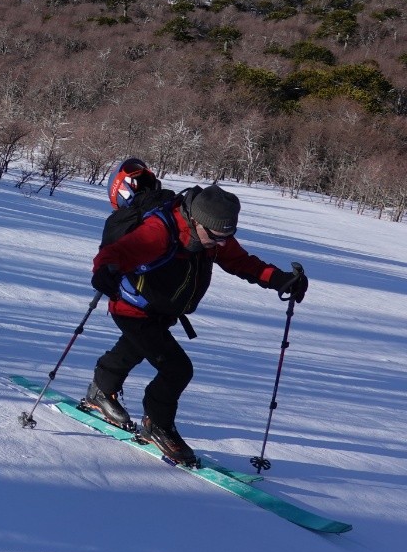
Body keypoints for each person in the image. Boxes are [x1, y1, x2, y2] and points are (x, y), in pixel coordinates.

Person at [83, 178, 307, 467]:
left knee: (135, 348)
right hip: (132, 307)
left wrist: (280, 279)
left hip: (161, 308)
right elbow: (116, 253)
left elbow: (241, 261)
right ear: (196, 221)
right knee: (176, 369)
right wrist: (104, 270)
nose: (221, 244)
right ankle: (157, 424)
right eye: (215, 237)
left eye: (226, 237)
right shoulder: (160, 231)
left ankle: (101, 388)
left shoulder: (212, 232)